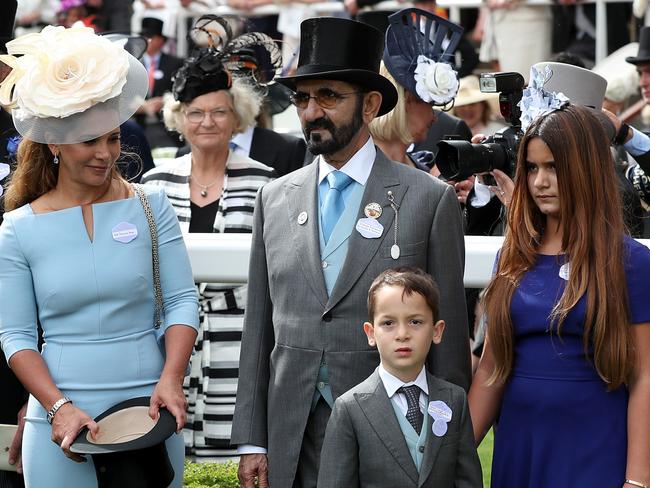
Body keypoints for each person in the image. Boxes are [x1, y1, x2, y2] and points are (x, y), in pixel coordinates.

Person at [231, 16, 470, 488]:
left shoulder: (427, 199)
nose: (311, 112)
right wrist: (252, 440)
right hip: (290, 433)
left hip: (390, 436)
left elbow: (450, 341)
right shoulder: (273, 198)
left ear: (371, 104)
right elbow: (259, 327)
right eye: (303, 98)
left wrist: (447, 447)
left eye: (329, 97)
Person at [0, 24, 199, 487]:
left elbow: (182, 302)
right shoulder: (18, 227)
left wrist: (171, 378)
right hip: (59, 419)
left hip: (149, 408)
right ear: (54, 142)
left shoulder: (153, 206)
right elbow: (15, 335)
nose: (106, 153)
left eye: (112, 138)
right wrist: (57, 406)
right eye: (89, 141)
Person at [467, 77, 650, 486]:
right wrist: (453, 459)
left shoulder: (632, 263)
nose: (539, 182)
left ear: (585, 169)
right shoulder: (510, 256)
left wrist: (637, 480)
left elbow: (645, 378)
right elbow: (492, 370)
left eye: (553, 167)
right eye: (531, 168)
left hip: (595, 447)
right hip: (520, 444)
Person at [141, 34, 275, 460]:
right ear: (179, 119)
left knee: (234, 457)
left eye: (219, 112)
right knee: (166, 454)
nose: (208, 122)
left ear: (237, 118)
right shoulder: (154, 185)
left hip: (240, 341)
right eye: (196, 113)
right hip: (168, 342)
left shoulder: (267, 183)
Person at [317, 267, 482, 488]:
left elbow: (468, 481)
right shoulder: (350, 409)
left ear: (437, 331)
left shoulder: (455, 399)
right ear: (370, 333)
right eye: (388, 323)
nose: (402, 334)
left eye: (415, 322)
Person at [369, 9, 463, 172]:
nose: (435, 118)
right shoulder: (356, 172)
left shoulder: (424, 167)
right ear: (409, 99)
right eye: (429, 104)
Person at [134, 17, 184, 149]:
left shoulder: (176, 63)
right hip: (139, 125)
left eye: (150, 36)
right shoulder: (132, 64)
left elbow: (181, 92)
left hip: (167, 128)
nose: (146, 40)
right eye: (143, 36)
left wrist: (164, 101)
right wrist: (139, 106)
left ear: (161, 40)